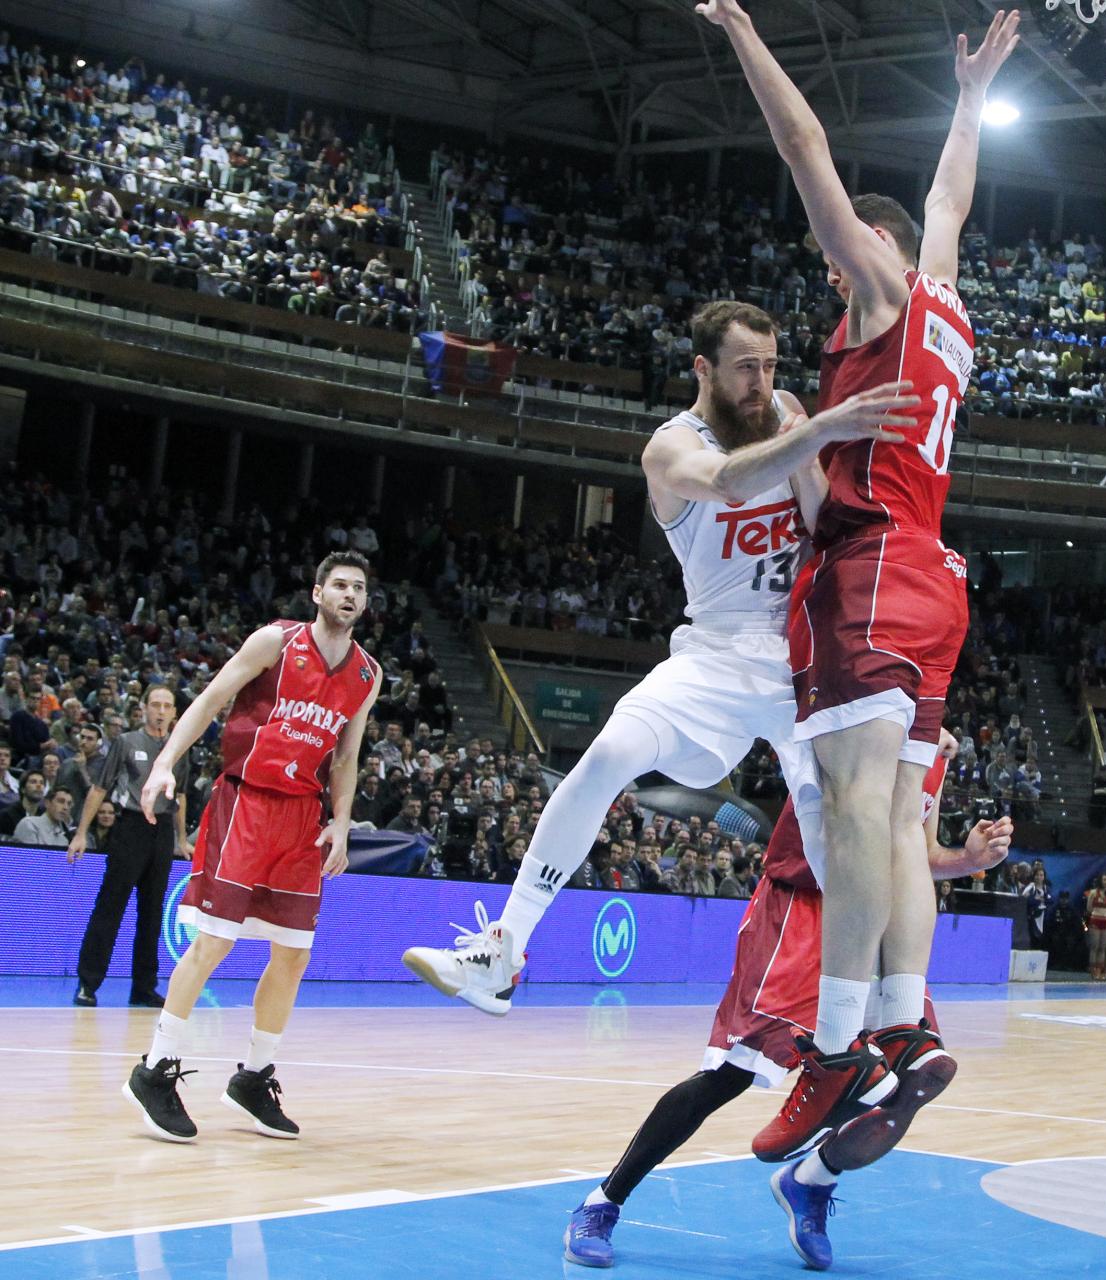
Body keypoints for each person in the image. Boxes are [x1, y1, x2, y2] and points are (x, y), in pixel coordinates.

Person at [697, 0, 1022, 1162]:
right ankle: (903, 1027)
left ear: (862, 254)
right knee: (894, 818)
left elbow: (805, 153)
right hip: (937, 576)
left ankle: (834, 1049)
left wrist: (738, 31)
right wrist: (971, 96)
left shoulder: (877, 294)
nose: (837, 261)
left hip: (872, 567)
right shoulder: (941, 300)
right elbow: (949, 203)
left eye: (845, 250)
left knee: (847, 816)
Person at [400, 300, 920, 1014]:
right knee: (610, 753)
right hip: (710, 655)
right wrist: (821, 430)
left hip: (799, 654)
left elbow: (822, 521)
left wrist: (805, 438)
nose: (762, 383)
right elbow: (729, 482)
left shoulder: (788, 411)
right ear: (703, 369)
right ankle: (502, 951)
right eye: (745, 368)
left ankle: (880, 1014)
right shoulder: (670, 448)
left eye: (770, 367)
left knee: (836, 823)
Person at [563, 732, 1011, 1270]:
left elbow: (914, 854)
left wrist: (965, 858)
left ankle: (812, 1181)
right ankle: (603, 1202)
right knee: (728, 1077)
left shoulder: (931, 754)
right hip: (801, 910)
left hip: (873, 924)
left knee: (914, 1076)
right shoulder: (845, 711)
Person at [123, 552, 382, 1144]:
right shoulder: (275, 642)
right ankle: (154, 1069)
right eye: (339, 585)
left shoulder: (368, 674)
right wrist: (166, 762)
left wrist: (341, 822)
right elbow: (213, 699)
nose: (349, 594)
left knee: (293, 954)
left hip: (301, 816)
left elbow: (346, 755)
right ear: (317, 593)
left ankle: (253, 1077)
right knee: (214, 942)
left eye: (359, 588)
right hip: (246, 801)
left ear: (365, 603)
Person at [68, 683, 193, 1008]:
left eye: (167, 705)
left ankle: (144, 986)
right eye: (155, 705)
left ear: (175, 712)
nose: (161, 711)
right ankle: (88, 983)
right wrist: (81, 833)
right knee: (110, 907)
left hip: (162, 831)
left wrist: (181, 839)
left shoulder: (180, 749)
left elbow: (180, 796)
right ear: (144, 708)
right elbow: (99, 788)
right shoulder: (126, 742)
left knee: (152, 913)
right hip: (130, 826)